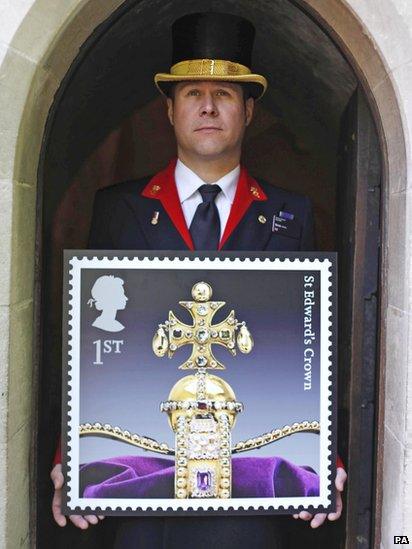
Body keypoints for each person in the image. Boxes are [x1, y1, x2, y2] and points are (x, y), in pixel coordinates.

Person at [51, 11, 347, 548]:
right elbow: (89, 342)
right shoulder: (119, 209)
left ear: (249, 110)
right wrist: (68, 454)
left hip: (248, 491)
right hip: (146, 489)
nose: (208, 107)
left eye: (225, 94)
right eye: (192, 93)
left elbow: (307, 344)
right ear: (169, 109)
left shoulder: (290, 212)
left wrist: (324, 454)